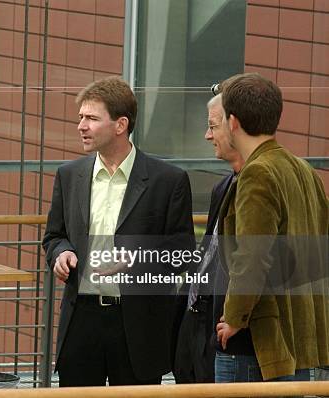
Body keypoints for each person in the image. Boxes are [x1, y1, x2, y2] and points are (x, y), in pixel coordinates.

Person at [42, 76, 195, 386]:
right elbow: (54, 237)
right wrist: (62, 253)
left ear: (120, 124)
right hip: (81, 321)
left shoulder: (169, 181)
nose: (81, 126)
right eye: (81, 117)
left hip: (139, 325)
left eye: (91, 118)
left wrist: (133, 260)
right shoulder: (69, 175)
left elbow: (182, 254)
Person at [213, 73, 328, 382]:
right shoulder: (303, 169)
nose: (215, 131)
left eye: (219, 121)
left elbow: (252, 255)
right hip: (300, 339)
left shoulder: (257, 173)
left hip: (260, 345)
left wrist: (235, 317)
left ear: (233, 122)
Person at [173, 93, 245, 383]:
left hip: (226, 332)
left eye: (213, 126)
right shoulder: (223, 187)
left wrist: (236, 317)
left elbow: (258, 261)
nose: (206, 135)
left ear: (234, 126)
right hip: (196, 325)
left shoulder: (262, 184)